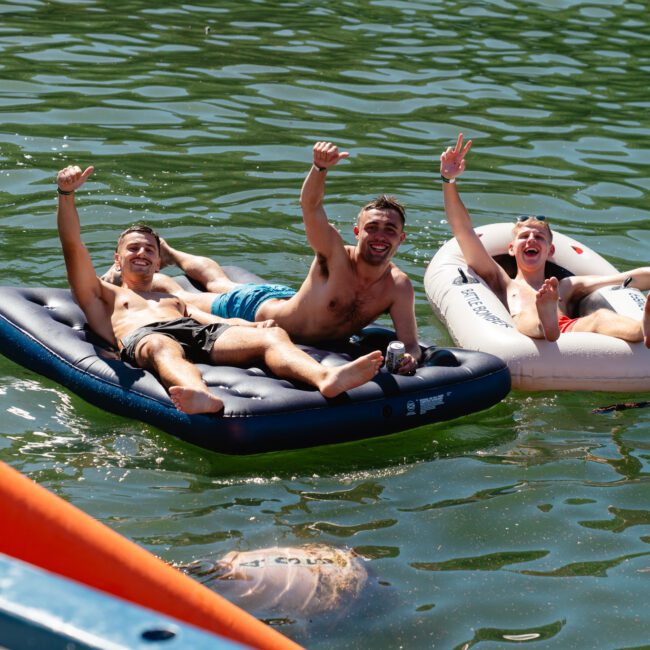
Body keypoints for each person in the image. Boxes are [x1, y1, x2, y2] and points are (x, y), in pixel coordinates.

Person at [55, 165, 384, 415]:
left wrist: (254, 327)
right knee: (160, 345)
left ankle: (325, 378)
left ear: (158, 262)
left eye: (149, 250)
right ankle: (201, 395)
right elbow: (72, 246)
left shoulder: (171, 297)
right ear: (117, 258)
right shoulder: (101, 295)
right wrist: (66, 195)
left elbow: (203, 320)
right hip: (146, 338)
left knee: (271, 337)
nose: (141, 253)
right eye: (133, 249)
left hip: (192, 331)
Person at [104, 142, 420, 374]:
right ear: (357, 232)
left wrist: (411, 358)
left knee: (220, 282)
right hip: (258, 309)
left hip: (288, 298)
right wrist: (319, 169)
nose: (380, 236)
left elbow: (411, 344)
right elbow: (310, 208)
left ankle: (170, 251)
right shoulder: (335, 255)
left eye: (389, 230)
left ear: (401, 239)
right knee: (183, 295)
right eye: (372, 228)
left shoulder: (399, 287)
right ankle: (151, 267)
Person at [439, 133, 650, 345]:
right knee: (528, 317)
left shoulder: (566, 286)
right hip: (529, 330)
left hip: (566, 327)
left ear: (550, 251)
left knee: (600, 317)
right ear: (511, 249)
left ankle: (642, 327)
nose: (531, 239)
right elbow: (463, 231)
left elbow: (627, 277)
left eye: (539, 236)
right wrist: (449, 180)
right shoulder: (504, 282)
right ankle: (544, 320)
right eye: (524, 236)